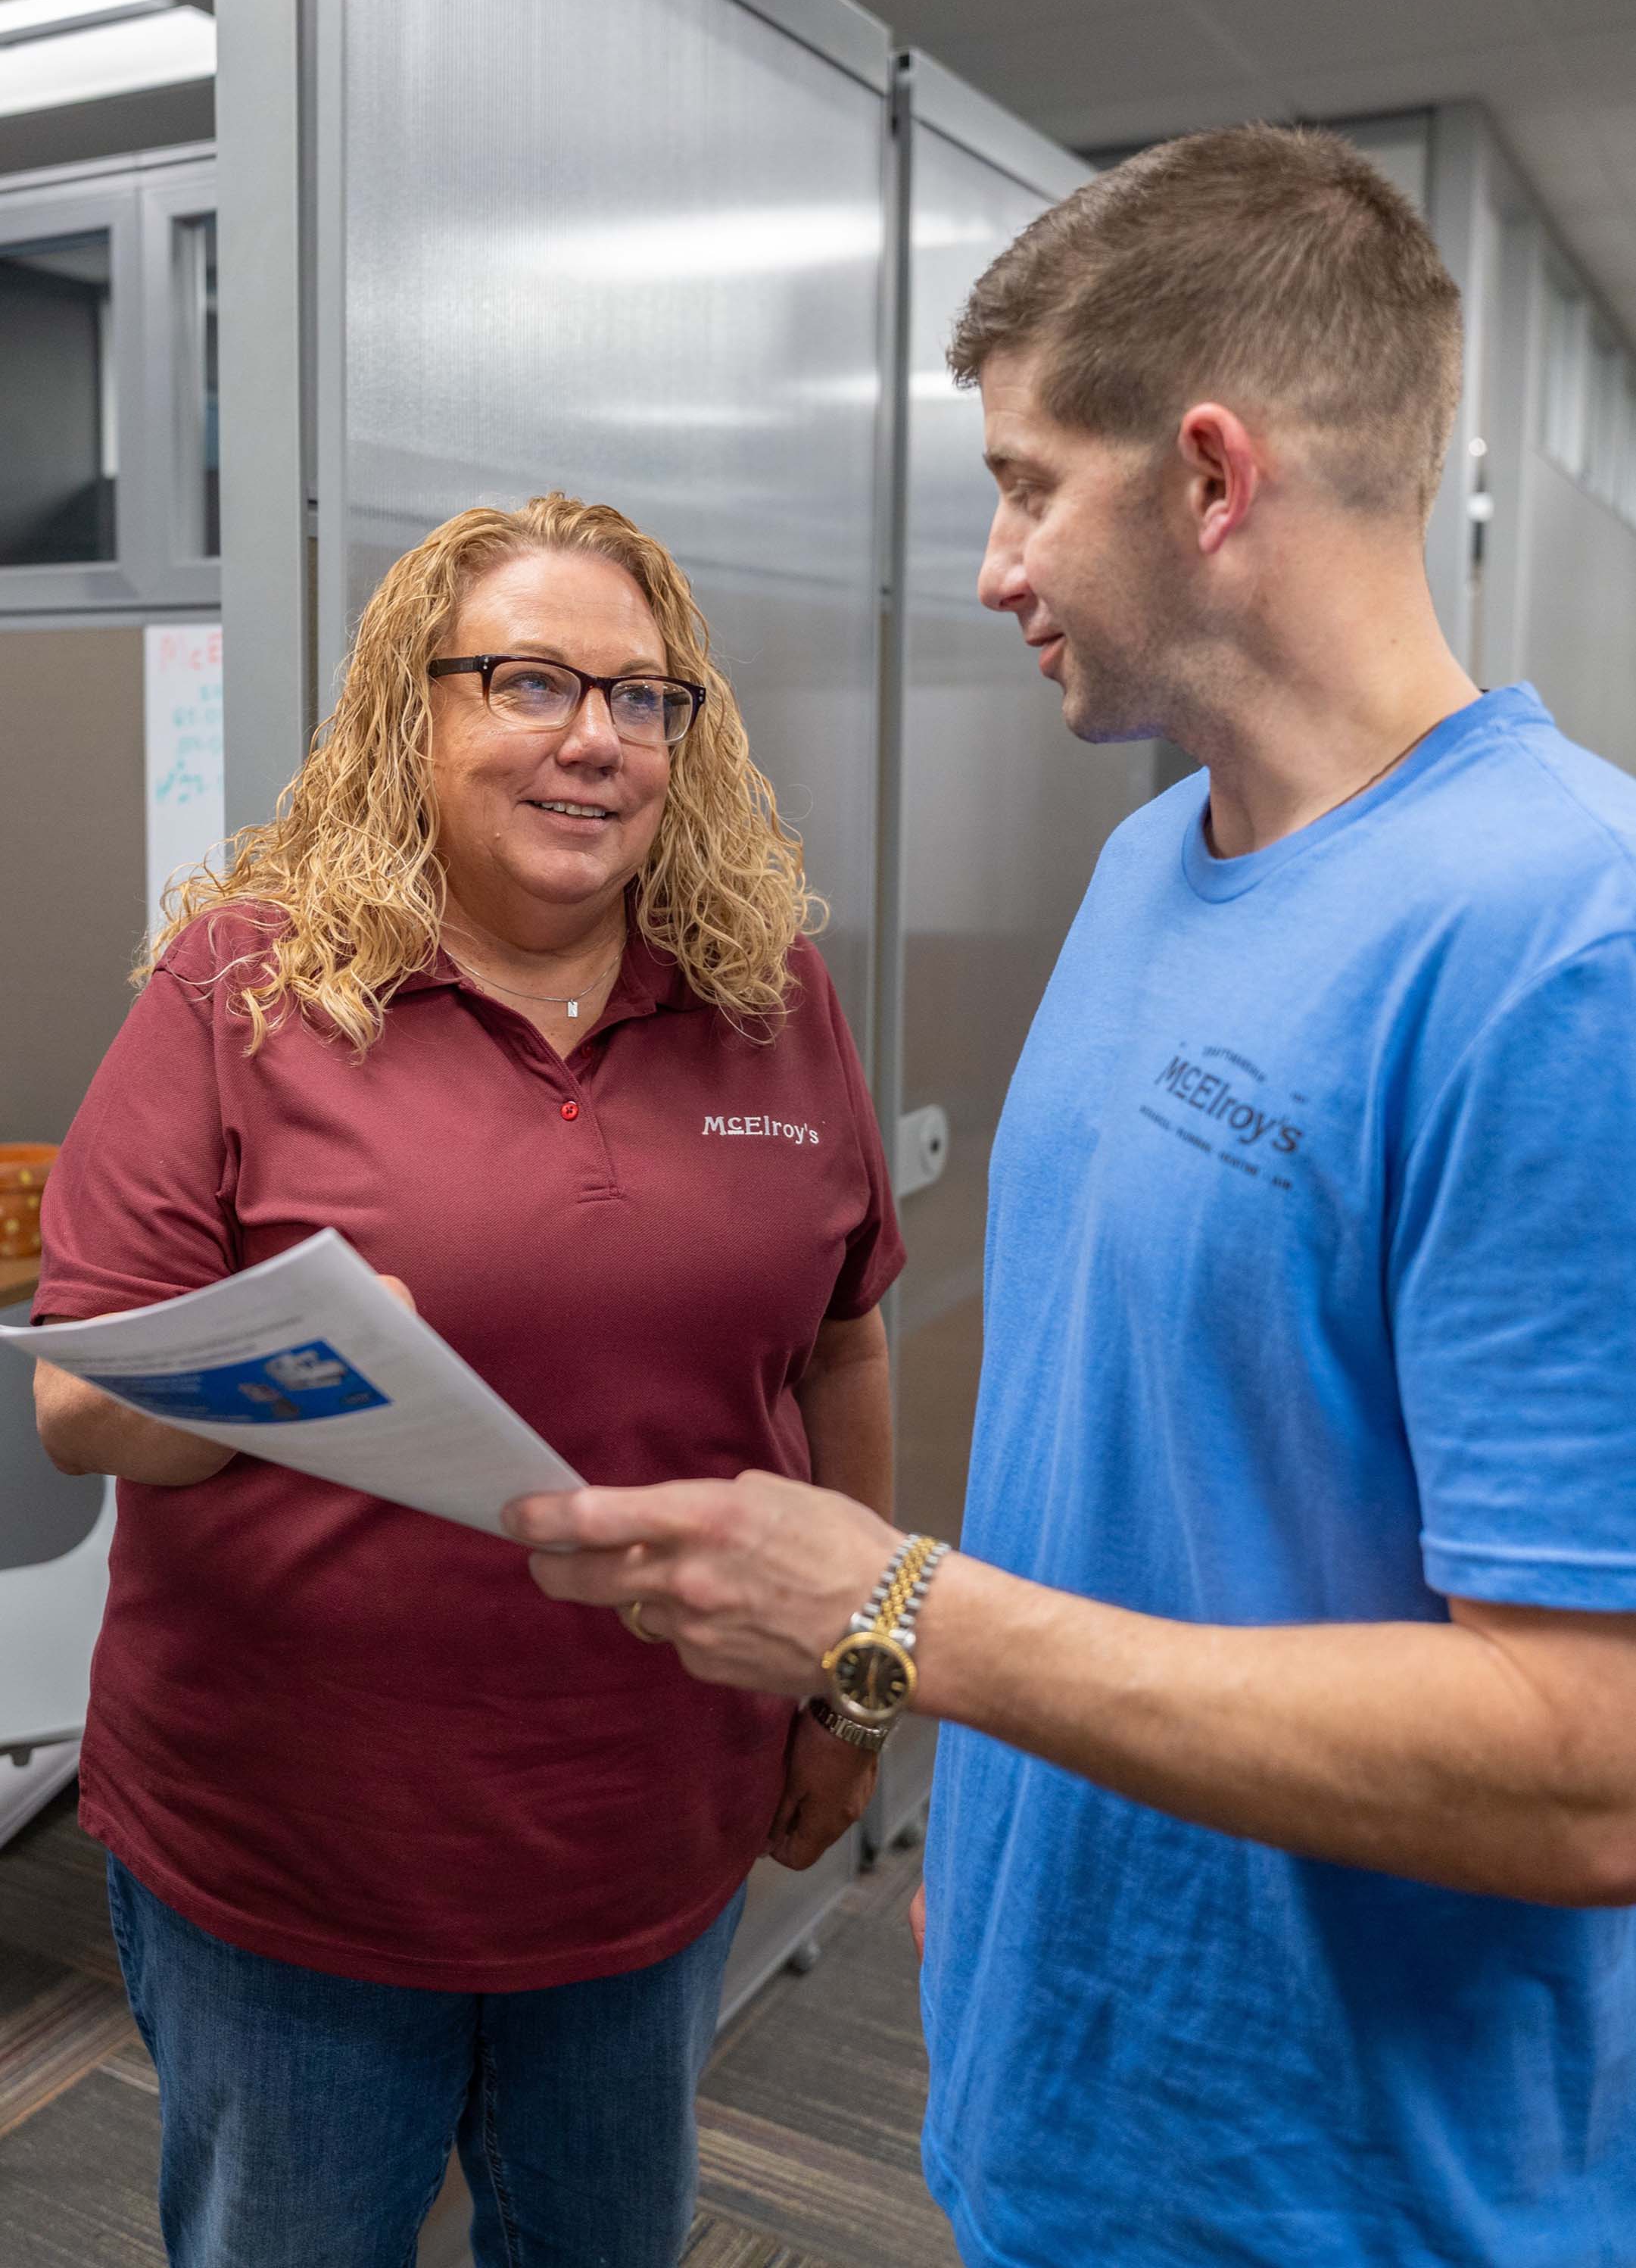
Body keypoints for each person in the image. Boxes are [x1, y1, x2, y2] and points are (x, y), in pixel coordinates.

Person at [506, 127, 1636, 2266]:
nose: (993, 567)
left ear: (1209, 477)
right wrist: (1011, 1846)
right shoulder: (1150, 864)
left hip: (1346, 2198)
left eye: (1027, 484)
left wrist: (894, 1616)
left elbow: (1593, 1766)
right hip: (1071, 2079)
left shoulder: (1566, 951)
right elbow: (1130, 1457)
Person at [33, 494, 902, 2268]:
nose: (595, 738)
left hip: (645, 1830)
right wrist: (278, 1359)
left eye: (641, 697)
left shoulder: (770, 998)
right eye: (529, 681)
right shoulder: (244, 989)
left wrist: (855, 1686)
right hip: (292, 1850)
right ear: (408, 712)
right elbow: (81, 1413)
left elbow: (842, 1345)